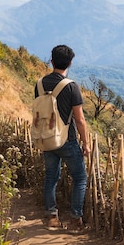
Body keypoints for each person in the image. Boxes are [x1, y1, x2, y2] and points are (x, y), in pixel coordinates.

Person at [37, 45, 90, 233]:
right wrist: (85, 143)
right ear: (70, 63)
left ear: (51, 61)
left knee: (51, 177)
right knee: (80, 178)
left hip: (46, 137)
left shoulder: (40, 84)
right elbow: (80, 119)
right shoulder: (71, 86)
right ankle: (75, 221)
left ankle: (51, 217)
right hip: (67, 140)